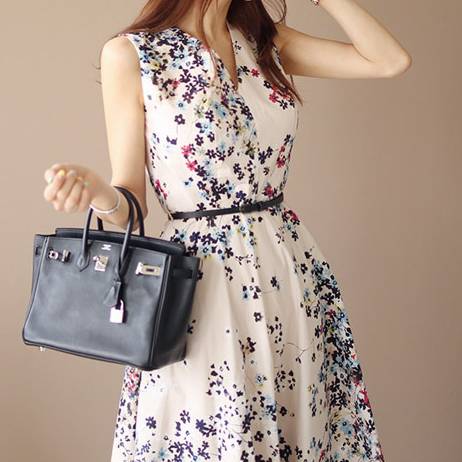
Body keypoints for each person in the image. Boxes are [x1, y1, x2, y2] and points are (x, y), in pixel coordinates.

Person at [43, 0, 411, 460]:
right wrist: (99, 193)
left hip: (287, 274)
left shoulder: (265, 41)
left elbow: (389, 60)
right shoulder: (133, 54)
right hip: (200, 288)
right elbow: (130, 209)